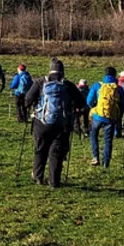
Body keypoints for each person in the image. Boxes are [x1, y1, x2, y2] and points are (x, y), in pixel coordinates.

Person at [24, 59, 87, 188]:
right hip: (62, 124)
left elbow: (27, 99)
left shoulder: (40, 82)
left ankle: (38, 177)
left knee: (40, 149)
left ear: (50, 70)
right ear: (63, 71)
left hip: (42, 123)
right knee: (56, 152)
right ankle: (54, 181)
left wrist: (33, 105)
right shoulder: (68, 85)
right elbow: (81, 103)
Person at [86, 67, 124, 168]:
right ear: (115, 75)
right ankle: (105, 162)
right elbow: (123, 105)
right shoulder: (118, 88)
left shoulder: (97, 85)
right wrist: (118, 115)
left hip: (97, 116)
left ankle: (95, 157)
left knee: (93, 135)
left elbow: (89, 101)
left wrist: (95, 108)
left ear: (105, 74)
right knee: (108, 140)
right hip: (111, 118)